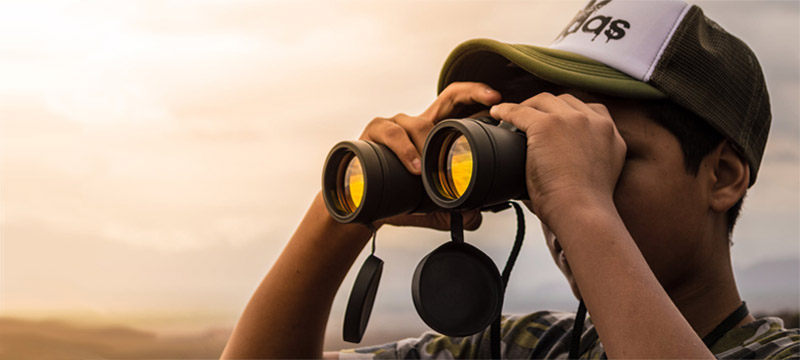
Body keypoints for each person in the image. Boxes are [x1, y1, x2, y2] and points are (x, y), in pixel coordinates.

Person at [221, 0, 800, 359]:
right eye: (543, 147)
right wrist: (344, 208)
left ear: (722, 176)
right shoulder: (532, 348)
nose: (552, 188)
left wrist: (580, 203)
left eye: (606, 149)